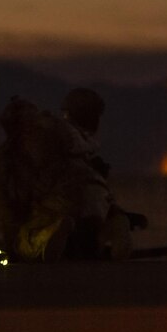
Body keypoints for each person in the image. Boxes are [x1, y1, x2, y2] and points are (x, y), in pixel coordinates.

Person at [0, 96, 86, 262]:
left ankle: (39, 244)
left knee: (26, 244)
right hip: (33, 215)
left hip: (48, 213)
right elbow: (1, 200)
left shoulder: (54, 150)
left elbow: (69, 188)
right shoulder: (9, 158)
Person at [58, 87, 145, 260]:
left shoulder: (72, 145)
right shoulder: (73, 142)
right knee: (120, 227)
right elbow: (89, 196)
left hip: (72, 220)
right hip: (80, 221)